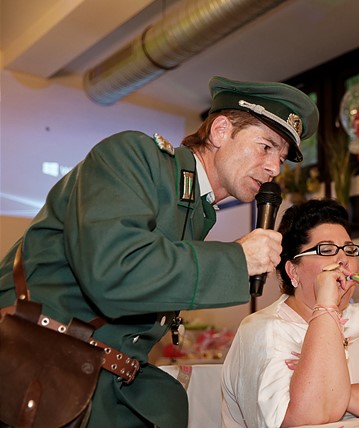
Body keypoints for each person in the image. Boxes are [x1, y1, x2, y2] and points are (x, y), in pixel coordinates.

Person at [0, 76, 318, 427]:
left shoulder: (197, 211)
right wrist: (237, 258)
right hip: (39, 370)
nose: (275, 168)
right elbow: (113, 273)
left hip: (104, 383)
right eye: (266, 146)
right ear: (221, 131)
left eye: (282, 158)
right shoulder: (133, 156)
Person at [221, 199, 359, 427]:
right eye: (327, 249)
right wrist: (326, 305)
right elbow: (303, 418)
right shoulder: (263, 330)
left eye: (349, 250)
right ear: (293, 270)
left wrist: (342, 394)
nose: (344, 259)